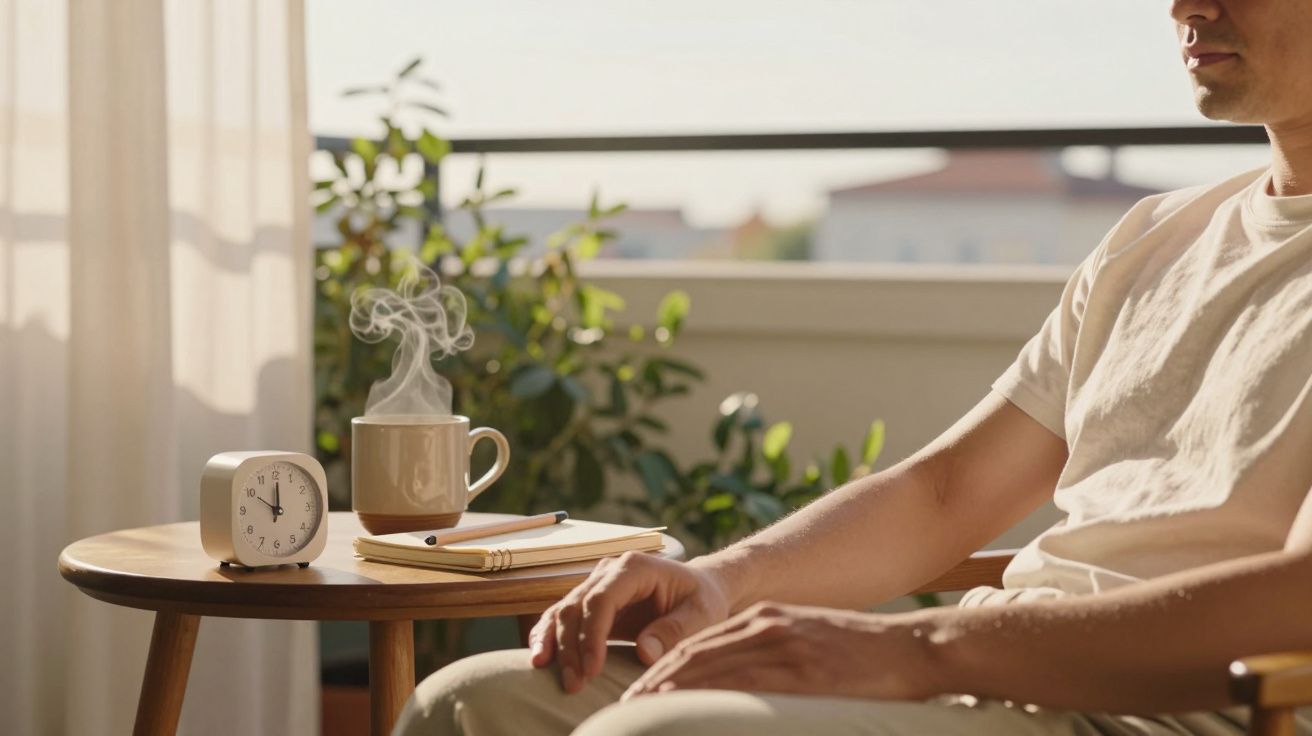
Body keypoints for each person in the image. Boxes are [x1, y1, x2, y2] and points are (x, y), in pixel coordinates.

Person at [395, 1, 1312, 733]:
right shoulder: (1152, 238)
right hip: (985, 677)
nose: (1186, 5)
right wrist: (726, 579)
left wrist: (918, 651)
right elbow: (947, 493)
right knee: (477, 702)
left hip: (1170, 714)